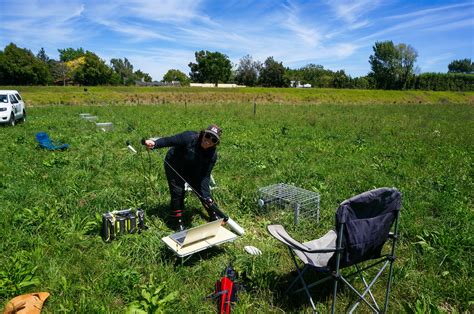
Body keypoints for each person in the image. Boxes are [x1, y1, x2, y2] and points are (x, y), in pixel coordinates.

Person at [144, 124, 222, 231]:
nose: (208, 140)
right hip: (175, 164)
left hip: (193, 170)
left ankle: (214, 214)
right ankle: (177, 222)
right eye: (208, 136)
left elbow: (205, 176)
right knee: (178, 191)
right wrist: (155, 143)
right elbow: (170, 140)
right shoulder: (189, 137)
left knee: (203, 192)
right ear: (203, 133)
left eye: (213, 140)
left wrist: (207, 196)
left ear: (215, 143)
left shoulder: (212, 155)